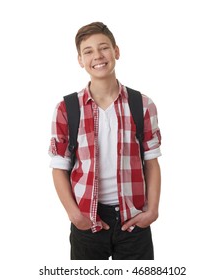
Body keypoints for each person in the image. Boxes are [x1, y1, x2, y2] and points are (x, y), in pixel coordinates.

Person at [48, 22, 162, 260]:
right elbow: (59, 168)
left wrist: (152, 211)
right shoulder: (67, 108)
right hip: (87, 220)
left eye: (104, 48)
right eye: (88, 51)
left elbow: (151, 162)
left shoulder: (142, 104)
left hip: (134, 221)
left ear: (116, 51)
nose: (97, 56)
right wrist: (74, 214)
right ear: (80, 60)